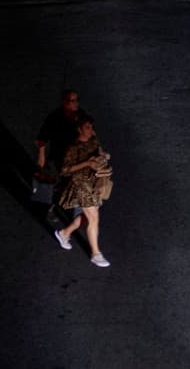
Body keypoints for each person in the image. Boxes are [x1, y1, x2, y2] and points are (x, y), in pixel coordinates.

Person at [52, 112, 113, 268]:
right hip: (80, 184)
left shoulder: (94, 140)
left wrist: (104, 156)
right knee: (94, 218)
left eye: (91, 127)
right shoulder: (74, 147)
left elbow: (100, 151)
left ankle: (64, 233)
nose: (90, 130)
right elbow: (65, 170)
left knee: (87, 217)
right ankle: (96, 254)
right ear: (79, 129)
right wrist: (87, 163)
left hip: (94, 182)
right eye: (87, 127)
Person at [35, 89, 81, 175]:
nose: (76, 103)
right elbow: (42, 138)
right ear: (65, 102)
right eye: (73, 101)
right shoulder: (54, 117)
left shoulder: (80, 114)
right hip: (61, 156)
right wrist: (41, 158)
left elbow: (90, 128)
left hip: (78, 153)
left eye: (77, 100)